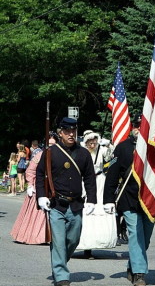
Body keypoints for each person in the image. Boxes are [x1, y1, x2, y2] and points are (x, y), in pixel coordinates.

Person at [36, 117, 97, 286]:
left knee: (73, 240)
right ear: (60, 133)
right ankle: (61, 275)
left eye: (74, 131)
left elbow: (90, 178)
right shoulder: (50, 152)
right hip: (57, 204)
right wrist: (41, 196)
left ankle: (59, 261)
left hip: (76, 204)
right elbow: (41, 175)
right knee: (58, 241)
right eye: (67, 131)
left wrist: (92, 199)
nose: (71, 134)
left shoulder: (83, 153)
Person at [103, 114, 154, 286]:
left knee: (145, 238)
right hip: (128, 197)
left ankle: (132, 265)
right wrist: (108, 200)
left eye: (143, 126)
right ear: (133, 127)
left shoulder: (154, 147)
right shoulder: (123, 147)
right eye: (138, 126)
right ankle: (140, 273)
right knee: (135, 236)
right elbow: (112, 175)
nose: (140, 129)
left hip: (149, 199)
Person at [10, 135, 58, 244]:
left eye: (53, 145)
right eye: (49, 144)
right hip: (40, 186)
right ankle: (36, 235)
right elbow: (30, 170)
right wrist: (31, 185)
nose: (51, 147)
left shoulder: (59, 156)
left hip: (55, 188)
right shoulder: (40, 155)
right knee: (38, 212)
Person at [77, 130, 117, 258]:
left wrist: (109, 145)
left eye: (94, 142)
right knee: (86, 211)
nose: (92, 144)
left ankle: (100, 240)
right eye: (90, 142)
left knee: (99, 209)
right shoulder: (81, 152)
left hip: (100, 182)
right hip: (86, 182)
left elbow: (114, 158)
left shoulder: (102, 150)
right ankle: (84, 245)